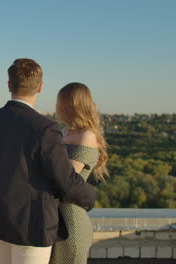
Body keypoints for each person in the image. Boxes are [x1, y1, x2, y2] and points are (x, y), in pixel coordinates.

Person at [0, 58, 96, 264]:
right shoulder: (46, 128)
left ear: (9, 85)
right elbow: (65, 180)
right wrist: (90, 198)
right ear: (40, 87)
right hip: (33, 227)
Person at [49, 82, 108, 264]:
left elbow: (65, 177)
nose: (56, 107)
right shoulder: (64, 132)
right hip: (53, 218)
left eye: (60, 102)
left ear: (71, 105)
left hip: (71, 220)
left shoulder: (87, 135)